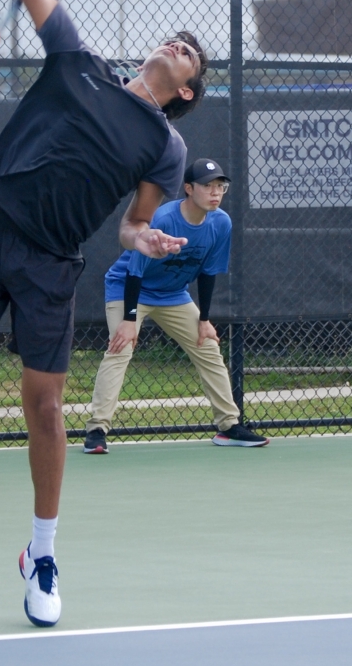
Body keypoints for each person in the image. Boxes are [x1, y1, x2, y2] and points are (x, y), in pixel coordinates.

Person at [0, 0, 208, 628]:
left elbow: (131, 223)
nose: (176, 45)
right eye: (174, 39)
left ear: (187, 90)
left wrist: (143, 239)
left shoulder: (167, 148)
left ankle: (41, 556)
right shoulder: (78, 61)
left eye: (189, 53)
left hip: (50, 264)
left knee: (45, 408)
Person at [83, 159, 269, 453]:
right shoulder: (163, 218)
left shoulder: (221, 223)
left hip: (172, 294)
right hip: (129, 288)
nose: (215, 192)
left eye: (220, 186)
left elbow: (209, 272)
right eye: (207, 186)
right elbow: (134, 271)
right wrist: (129, 320)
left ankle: (229, 426)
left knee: (208, 347)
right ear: (188, 188)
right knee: (120, 348)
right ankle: (96, 430)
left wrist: (204, 319)